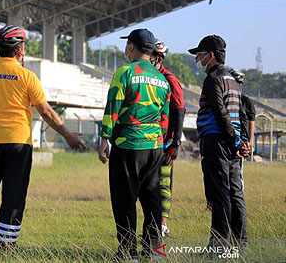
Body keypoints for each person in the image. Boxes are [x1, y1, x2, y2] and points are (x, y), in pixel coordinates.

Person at [0, 25, 85, 250]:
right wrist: (69, 136)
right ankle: (7, 245)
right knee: (14, 194)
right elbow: (46, 112)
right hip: (19, 144)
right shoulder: (27, 76)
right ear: (19, 50)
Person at [98, 28, 171, 260]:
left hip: (128, 145)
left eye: (127, 45)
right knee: (152, 200)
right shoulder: (162, 79)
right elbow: (165, 117)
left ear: (131, 47)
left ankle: (127, 253)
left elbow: (113, 106)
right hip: (155, 147)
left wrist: (104, 139)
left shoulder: (125, 72)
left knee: (124, 199)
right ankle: (153, 251)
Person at [188, 35, 250, 249]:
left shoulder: (213, 78)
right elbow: (240, 113)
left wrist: (234, 139)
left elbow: (219, 111)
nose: (198, 59)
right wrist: (241, 141)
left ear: (211, 55)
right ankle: (240, 242)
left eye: (200, 54)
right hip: (231, 142)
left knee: (219, 193)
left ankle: (218, 246)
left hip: (216, 141)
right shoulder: (232, 80)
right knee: (235, 192)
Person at [149, 40, 185, 239]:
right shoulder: (148, 77)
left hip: (166, 141)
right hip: (148, 140)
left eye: (152, 55)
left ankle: (162, 224)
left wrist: (176, 142)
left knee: (163, 182)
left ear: (159, 58)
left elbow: (179, 109)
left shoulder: (169, 79)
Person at [229, 69, 256, 162]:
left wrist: (249, 144)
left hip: (242, 141)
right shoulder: (227, 99)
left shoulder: (246, 101)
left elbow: (251, 123)